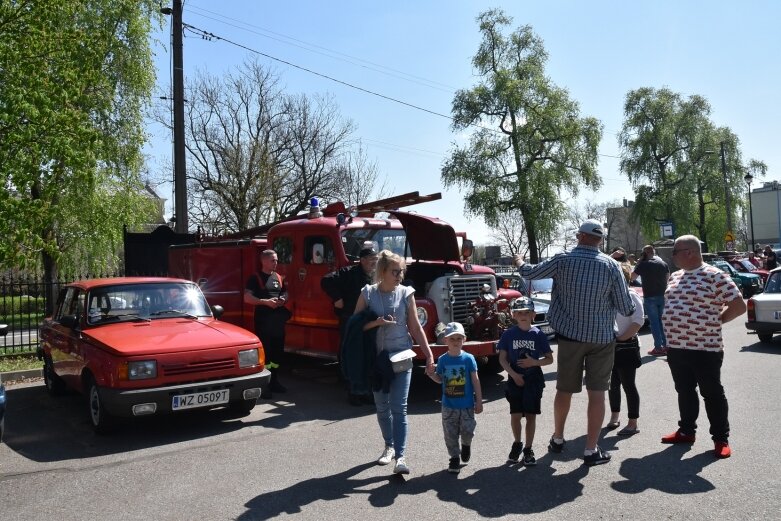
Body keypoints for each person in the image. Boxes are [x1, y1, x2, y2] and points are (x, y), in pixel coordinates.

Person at [514, 219, 635, 466]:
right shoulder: (612, 265)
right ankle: (591, 449)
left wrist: (518, 261)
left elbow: (529, 273)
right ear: (600, 240)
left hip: (569, 336)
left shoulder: (563, 258)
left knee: (565, 389)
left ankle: (558, 438)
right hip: (601, 338)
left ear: (580, 236)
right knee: (598, 393)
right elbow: (626, 307)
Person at [660, 235, 746, 459]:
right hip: (677, 347)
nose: (673, 256)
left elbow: (738, 305)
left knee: (712, 393)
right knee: (684, 391)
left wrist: (717, 321)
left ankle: (720, 438)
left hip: (705, 348)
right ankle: (686, 431)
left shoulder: (715, 275)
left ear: (689, 252)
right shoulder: (675, 276)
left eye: (675, 252)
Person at [353, 249, 435, 475]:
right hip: (377, 361)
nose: (400, 275)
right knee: (382, 407)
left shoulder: (407, 293)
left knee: (400, 408)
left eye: (401, 271)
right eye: (395, 271)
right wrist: (376, 323)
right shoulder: (368, 293)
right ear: (382, 271)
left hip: (402, 358)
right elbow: (355, 326)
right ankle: (388, 445)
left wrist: (428, 354)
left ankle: (400, 456)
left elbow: (416, 327)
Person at [497, 296, 553, 466]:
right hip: (515, 378)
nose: (523, 315)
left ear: (533, 315)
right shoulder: (508, 334)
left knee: (530, 415)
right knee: (515, 415)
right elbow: (502, 360)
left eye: (527, 312)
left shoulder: (538, 334)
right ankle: (517, 443)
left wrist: (534, 362)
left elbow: (549, 359)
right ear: (513, 314)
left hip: (533, 379)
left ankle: (528, 448)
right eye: (519, 312)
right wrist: (514, 375)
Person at [321, 242, 379, 405]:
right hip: (351, 319)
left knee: (368, 355)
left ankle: (366, 391)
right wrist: (337, 298)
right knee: (353, 356)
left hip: (369, 320)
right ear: (361, 260)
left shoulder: (375, 276)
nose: (373, 262)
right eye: (370, 259)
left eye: (375, 258)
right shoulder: (349, 273)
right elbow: (326, 280)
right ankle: (353, 392)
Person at [427, 322, 483, 474]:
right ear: (445, 341)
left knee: (468, 431)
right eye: (452, 338)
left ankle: (466, 445)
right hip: (448, 406)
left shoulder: (469, 359)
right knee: (450, 434)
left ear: (464, 340)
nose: (456, 341)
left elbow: (475, 380)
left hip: (467, 405)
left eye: (459, 338)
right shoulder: (443, 360)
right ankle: (454, 458)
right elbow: (440, 379)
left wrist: (479, 401)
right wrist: (432, 374)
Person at [244, 249, 291, 399]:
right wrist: (264, 302)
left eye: (276, 260)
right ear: (263, 261)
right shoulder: (255, 278)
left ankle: (274, 381)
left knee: (277, 353)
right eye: (273, 260)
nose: (276, 263)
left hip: (277, 322)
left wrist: (283, 299)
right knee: (266, 355)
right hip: (264, 322)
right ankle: (264, 385)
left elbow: (285, 293)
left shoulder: (278, 277)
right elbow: (247, 298)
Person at [606, 277, 645, 436]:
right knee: (612, 384)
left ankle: (633, 423)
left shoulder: (631, 295)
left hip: (626, 347)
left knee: (628, 385)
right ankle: (615, 416)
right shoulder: (608, 294)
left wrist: (622, 338)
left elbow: (638, 320)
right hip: (610, 347)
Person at [631, 245, 670, 356]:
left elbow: (632, 278)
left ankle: (658, 347)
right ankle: (667, 346)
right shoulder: (663, 264)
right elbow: (668, 278)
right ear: (654, 252)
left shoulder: (643, 265)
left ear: (644, 253)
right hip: (662, 296)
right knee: (662, 322)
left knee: (654, 323)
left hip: (649, 296)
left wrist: (638, 264)